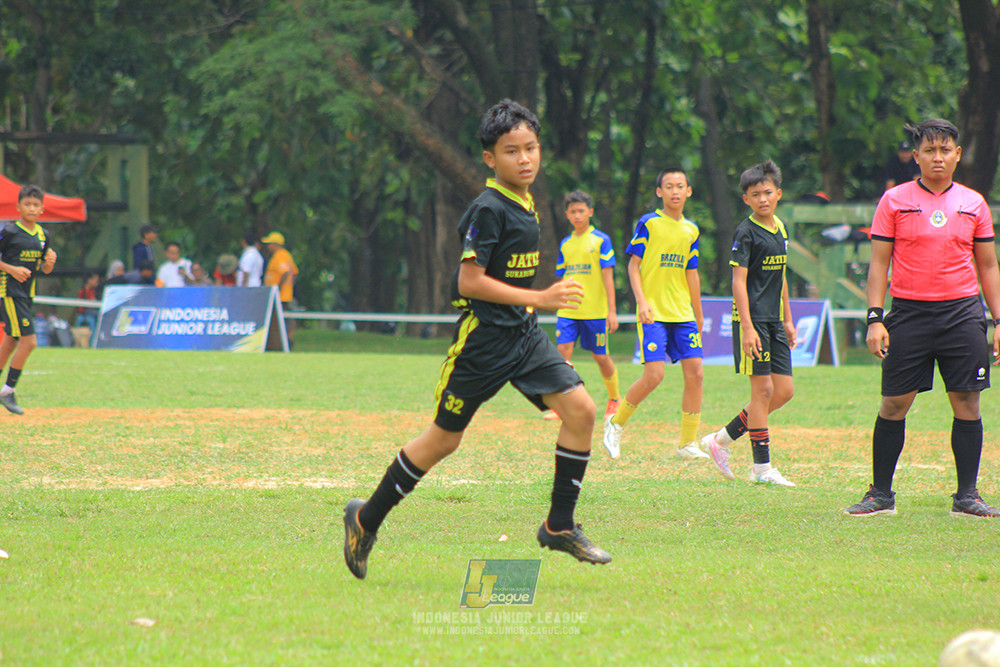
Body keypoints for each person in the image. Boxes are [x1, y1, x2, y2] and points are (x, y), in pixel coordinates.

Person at [342, 99, 611, 580]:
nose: (524, 159)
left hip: (523, 334)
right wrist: (540, 296)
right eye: (511, 151)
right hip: (483, 341)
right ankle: (365, 519)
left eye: (531, 148)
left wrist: (530, 306)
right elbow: (469, 281)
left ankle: (559, 524)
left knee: (582, 411)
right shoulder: (488, 209)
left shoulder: (525, 201)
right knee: (443, 440)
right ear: (490, 159)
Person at [844, 119, 1000, 518]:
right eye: (929, 150)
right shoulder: (894, 200)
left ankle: (967, 497)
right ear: (916, 156)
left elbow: (988, 266)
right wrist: (875, 318)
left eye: (945, 150)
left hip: (962, 314)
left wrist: (998, 321)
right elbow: (878, 263)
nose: (937, 158)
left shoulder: (974, 203)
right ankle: (881, 495)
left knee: (967, 401)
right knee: (894, 403)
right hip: (910, 313)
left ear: (957, 155)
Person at [700, 160, 798, 487]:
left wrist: (788, 319)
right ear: (746, 199)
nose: (762, 199)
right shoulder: (746, 232)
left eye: (767, 192)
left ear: (778, 193)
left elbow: (781, 276)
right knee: (763, 391)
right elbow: (738, 282)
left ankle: (721, 440)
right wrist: (746, 327)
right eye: (755, 195)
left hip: (774, 321)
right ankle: (761, 469)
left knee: (783, 392)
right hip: (752, 320)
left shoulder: (780, 228)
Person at [603, 167, 706, 460]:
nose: (675, 191)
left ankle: (687, 443)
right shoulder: (649, 222)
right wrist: (642, 302)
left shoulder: (692, 230)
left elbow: (692, 273)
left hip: (682, 313)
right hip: (654, 312)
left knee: (696, 374)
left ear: (688, 191)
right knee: (654, 375)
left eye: (680, 186)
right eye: (669, 186)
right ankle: (615, 424)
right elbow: (633, 266)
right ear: (660, 192)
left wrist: (698, 313)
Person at [543, 189, 620, 423]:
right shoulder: (565, 244)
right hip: (568, 310)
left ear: (590, 212)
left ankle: (614, 399)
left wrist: (612, 311)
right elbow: (562, 277)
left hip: (594, 311)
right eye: (573, 212)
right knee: (562, 353)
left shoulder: (601, 240)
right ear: (567, 214)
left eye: (581, 211)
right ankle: (562, 404)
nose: (577, 215)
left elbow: (608, 277)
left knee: (601, 358)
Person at [0, 185, 58, 415]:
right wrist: (11, 269)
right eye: (27, 204)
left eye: (36, 205)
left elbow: (43, 268)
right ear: (18, 206)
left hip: (27, 293)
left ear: (42, 209)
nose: (32, 208)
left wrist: (49, 264)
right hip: (10, 291)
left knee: (11, 340)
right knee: (30, 342)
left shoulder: (44, 235)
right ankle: (7, 391)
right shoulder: (10, 231)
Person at [262, 231, 298, 343]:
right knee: (284, 319)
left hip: (281, 296)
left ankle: (286, 340)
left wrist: (278, 289)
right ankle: (286, 340)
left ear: (275, 244)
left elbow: (285, 272)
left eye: (270, 244)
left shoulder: (280, 256)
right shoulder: (285, 255)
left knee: (282, 319)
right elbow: (294, 273)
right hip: (283, 294)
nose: (268, 246)